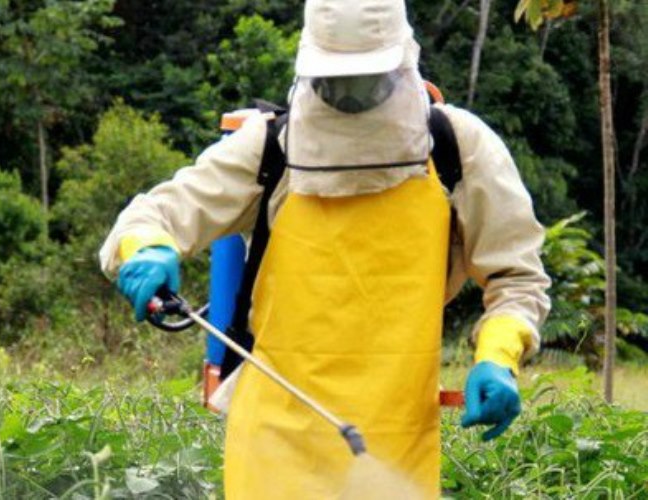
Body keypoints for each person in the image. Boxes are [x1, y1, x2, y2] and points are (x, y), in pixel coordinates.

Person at [99, 0, 551, 497]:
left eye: (366, 81)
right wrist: (146, 249)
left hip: (394, 442)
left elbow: (516, 276)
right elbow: (153, 214)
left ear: (402, 61)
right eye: (337, 84)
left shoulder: (456, 147)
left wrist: (498, 354)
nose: (351, 97)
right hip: (272, 443)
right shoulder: (272, 145)